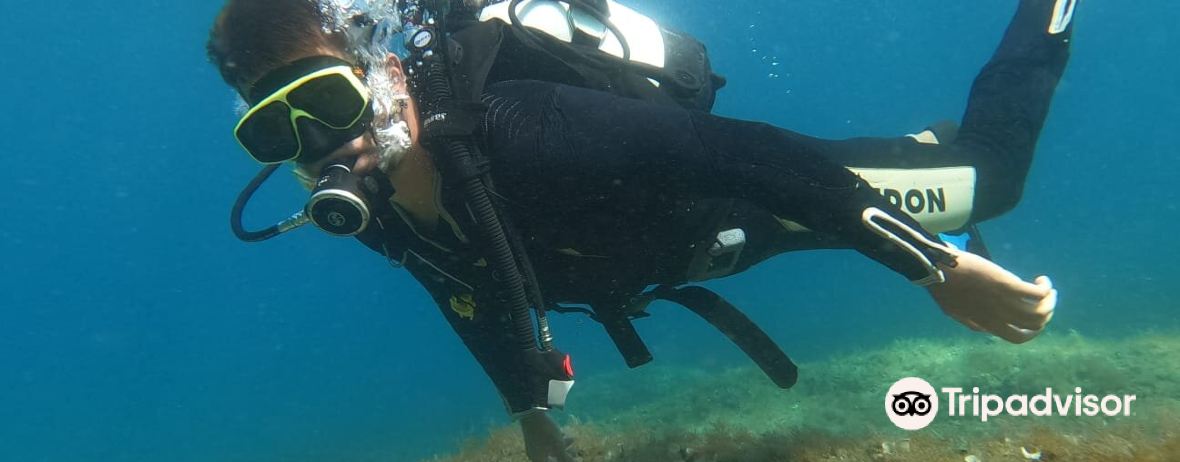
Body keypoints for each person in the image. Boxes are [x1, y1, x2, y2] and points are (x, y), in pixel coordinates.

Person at [207, 0, 1073, 459]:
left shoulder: (528, 127)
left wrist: (932, 268)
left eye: (329, 101)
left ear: (386, 71)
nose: (324, 147)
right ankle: (913, 156)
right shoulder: (367, 210)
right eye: (276, 130)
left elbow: (750, 152)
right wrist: (530, 412)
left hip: (758, 204)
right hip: (692, 251)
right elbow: (462, 292)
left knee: (990, 183)